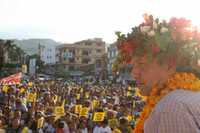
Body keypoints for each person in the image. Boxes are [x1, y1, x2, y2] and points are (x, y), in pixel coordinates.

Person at [116, 14, 200, 133]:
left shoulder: (172, 106)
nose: (134, 73)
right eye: (133, 66)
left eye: (142, 64)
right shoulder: (188, 96)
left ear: (170, 65)